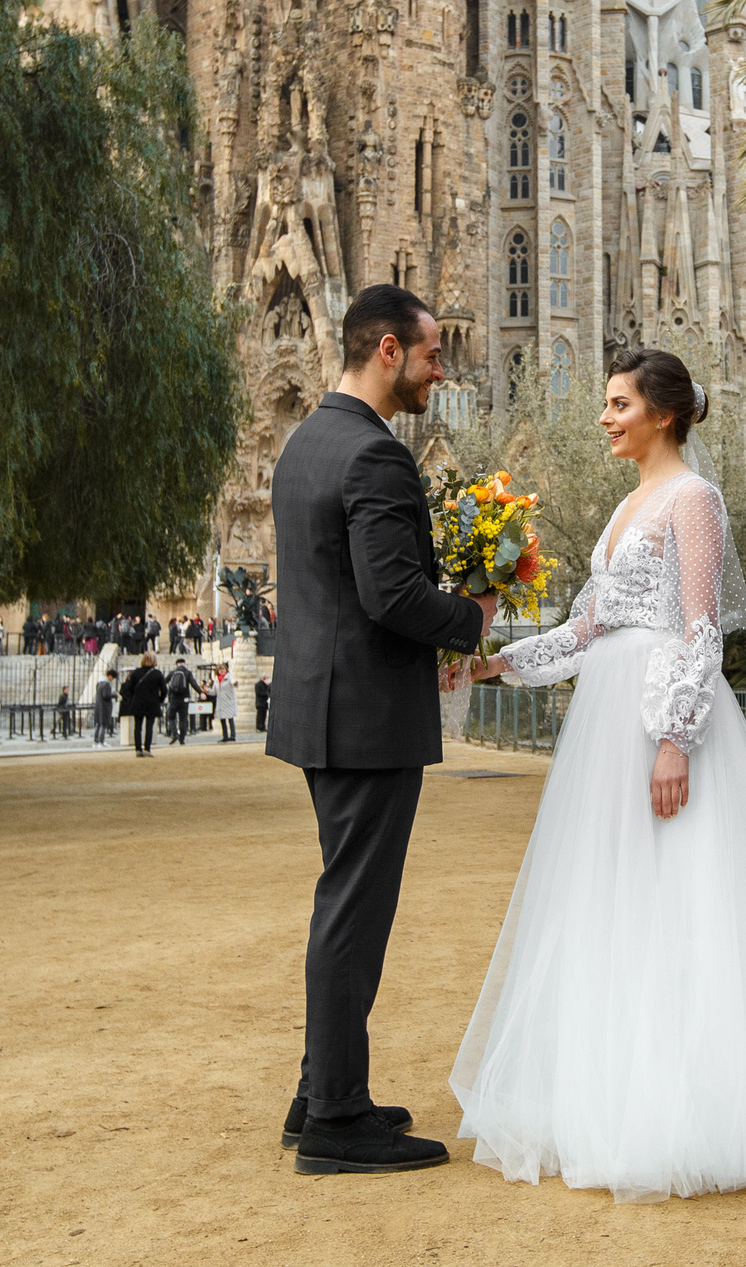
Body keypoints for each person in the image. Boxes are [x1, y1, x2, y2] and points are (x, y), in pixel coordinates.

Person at [451, 348, 746, 1201]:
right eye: (608, 404)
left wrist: (676, 737)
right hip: (605, 720)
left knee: (685, 892)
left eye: (619, 404)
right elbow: (586, 629)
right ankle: (608, 1089)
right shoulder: (624, 507)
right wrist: (493, 663)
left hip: (658, 715)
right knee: (610, 893)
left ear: (664, 413)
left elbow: (698, 628)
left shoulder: (693, 498)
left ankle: (705, 1104)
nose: (605, 417)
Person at [268, 284, 497, 1176]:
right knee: (354, 912)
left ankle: (321, 1090)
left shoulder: (307, 443)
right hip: (364, 719)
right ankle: (334, 1118)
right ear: (389, 350)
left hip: (322, 710)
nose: (443, 369)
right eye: (433, 354)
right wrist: (472, 616)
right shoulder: (375, 454)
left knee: (345, 901)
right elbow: (391, 594)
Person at [164, 657, 196, 743]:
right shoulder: (187, 673)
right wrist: (201, 692)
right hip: (184, 699)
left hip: (173, 698)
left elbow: (164, 682)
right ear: (184, 663)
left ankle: (175, 734)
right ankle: (182, 738)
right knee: (183, 719)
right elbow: (194, 683)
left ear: (176, 664)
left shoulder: (172, 672)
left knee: (171, 717)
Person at [211, 661, 238, 744]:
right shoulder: (216, 679)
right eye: (220, 669)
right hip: (221, 702)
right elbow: (214, 692)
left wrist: (235, 683)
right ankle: (225, 736)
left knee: (230, 718)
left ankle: (233, 736)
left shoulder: (229, 676)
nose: (222, 670)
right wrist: (206, 690)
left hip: (228, 701)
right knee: (222, 719)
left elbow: (233, 682)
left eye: (223, 669)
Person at [92, 666, 118, 747]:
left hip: (98, 705)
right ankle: (101, 741)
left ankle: (95, 741)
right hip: (105, 707)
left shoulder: (99, 683)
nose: (112, 679)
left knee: (98, 724)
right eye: (112, 678)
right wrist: (114, 695)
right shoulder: (106, 684)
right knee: (103, 724)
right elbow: (106, 695)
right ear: (110, 676)